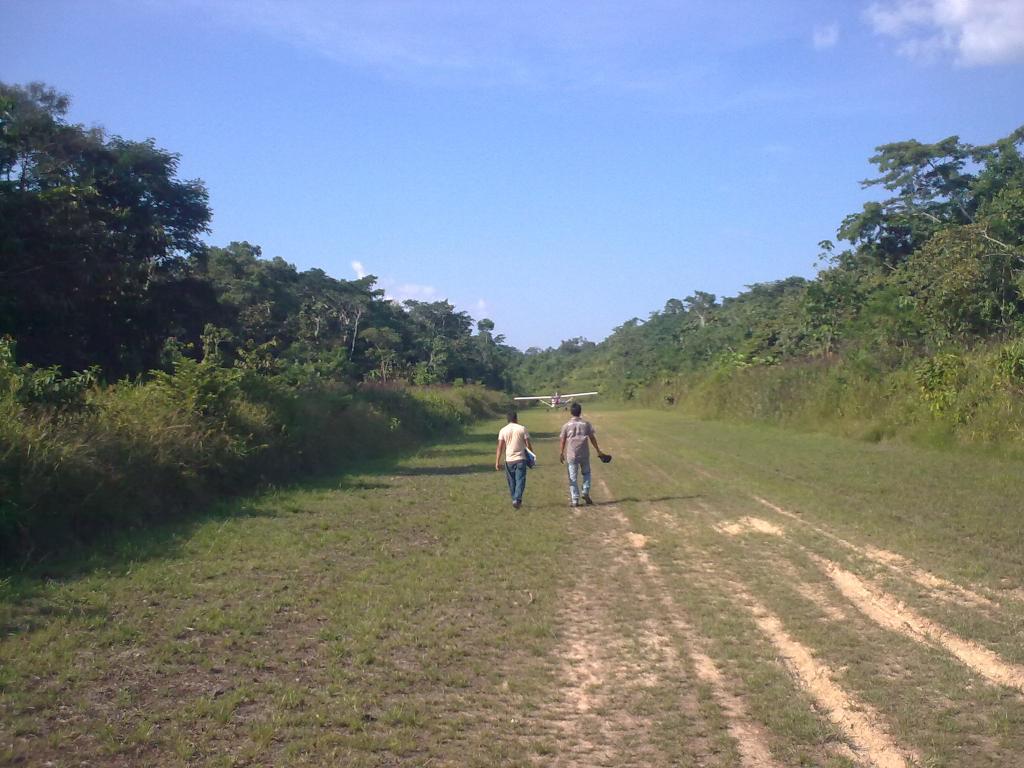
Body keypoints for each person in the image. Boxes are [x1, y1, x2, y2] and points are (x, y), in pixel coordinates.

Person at [559, 402, 609, 507]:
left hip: (572, 454)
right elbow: (592, 438)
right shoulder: (586, 424)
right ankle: (585, 491)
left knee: (572, 477)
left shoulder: (566, 426)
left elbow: (563, 440)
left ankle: (575, 499)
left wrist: (561, 452)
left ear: (571, 412)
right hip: (584, 454)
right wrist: (598, 450)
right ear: (580, 412)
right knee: (586, 473)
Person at [496, 409, 534, 509]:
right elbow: (528, 445)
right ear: (516, 418)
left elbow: (500, 447)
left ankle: (515, 499)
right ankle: (517, 499)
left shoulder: (503, 430)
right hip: (521, 458)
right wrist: (532, 456)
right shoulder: (522, 429)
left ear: (507, 419)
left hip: (509, 460)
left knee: (511, 481)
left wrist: (497, 461)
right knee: (520, 480)